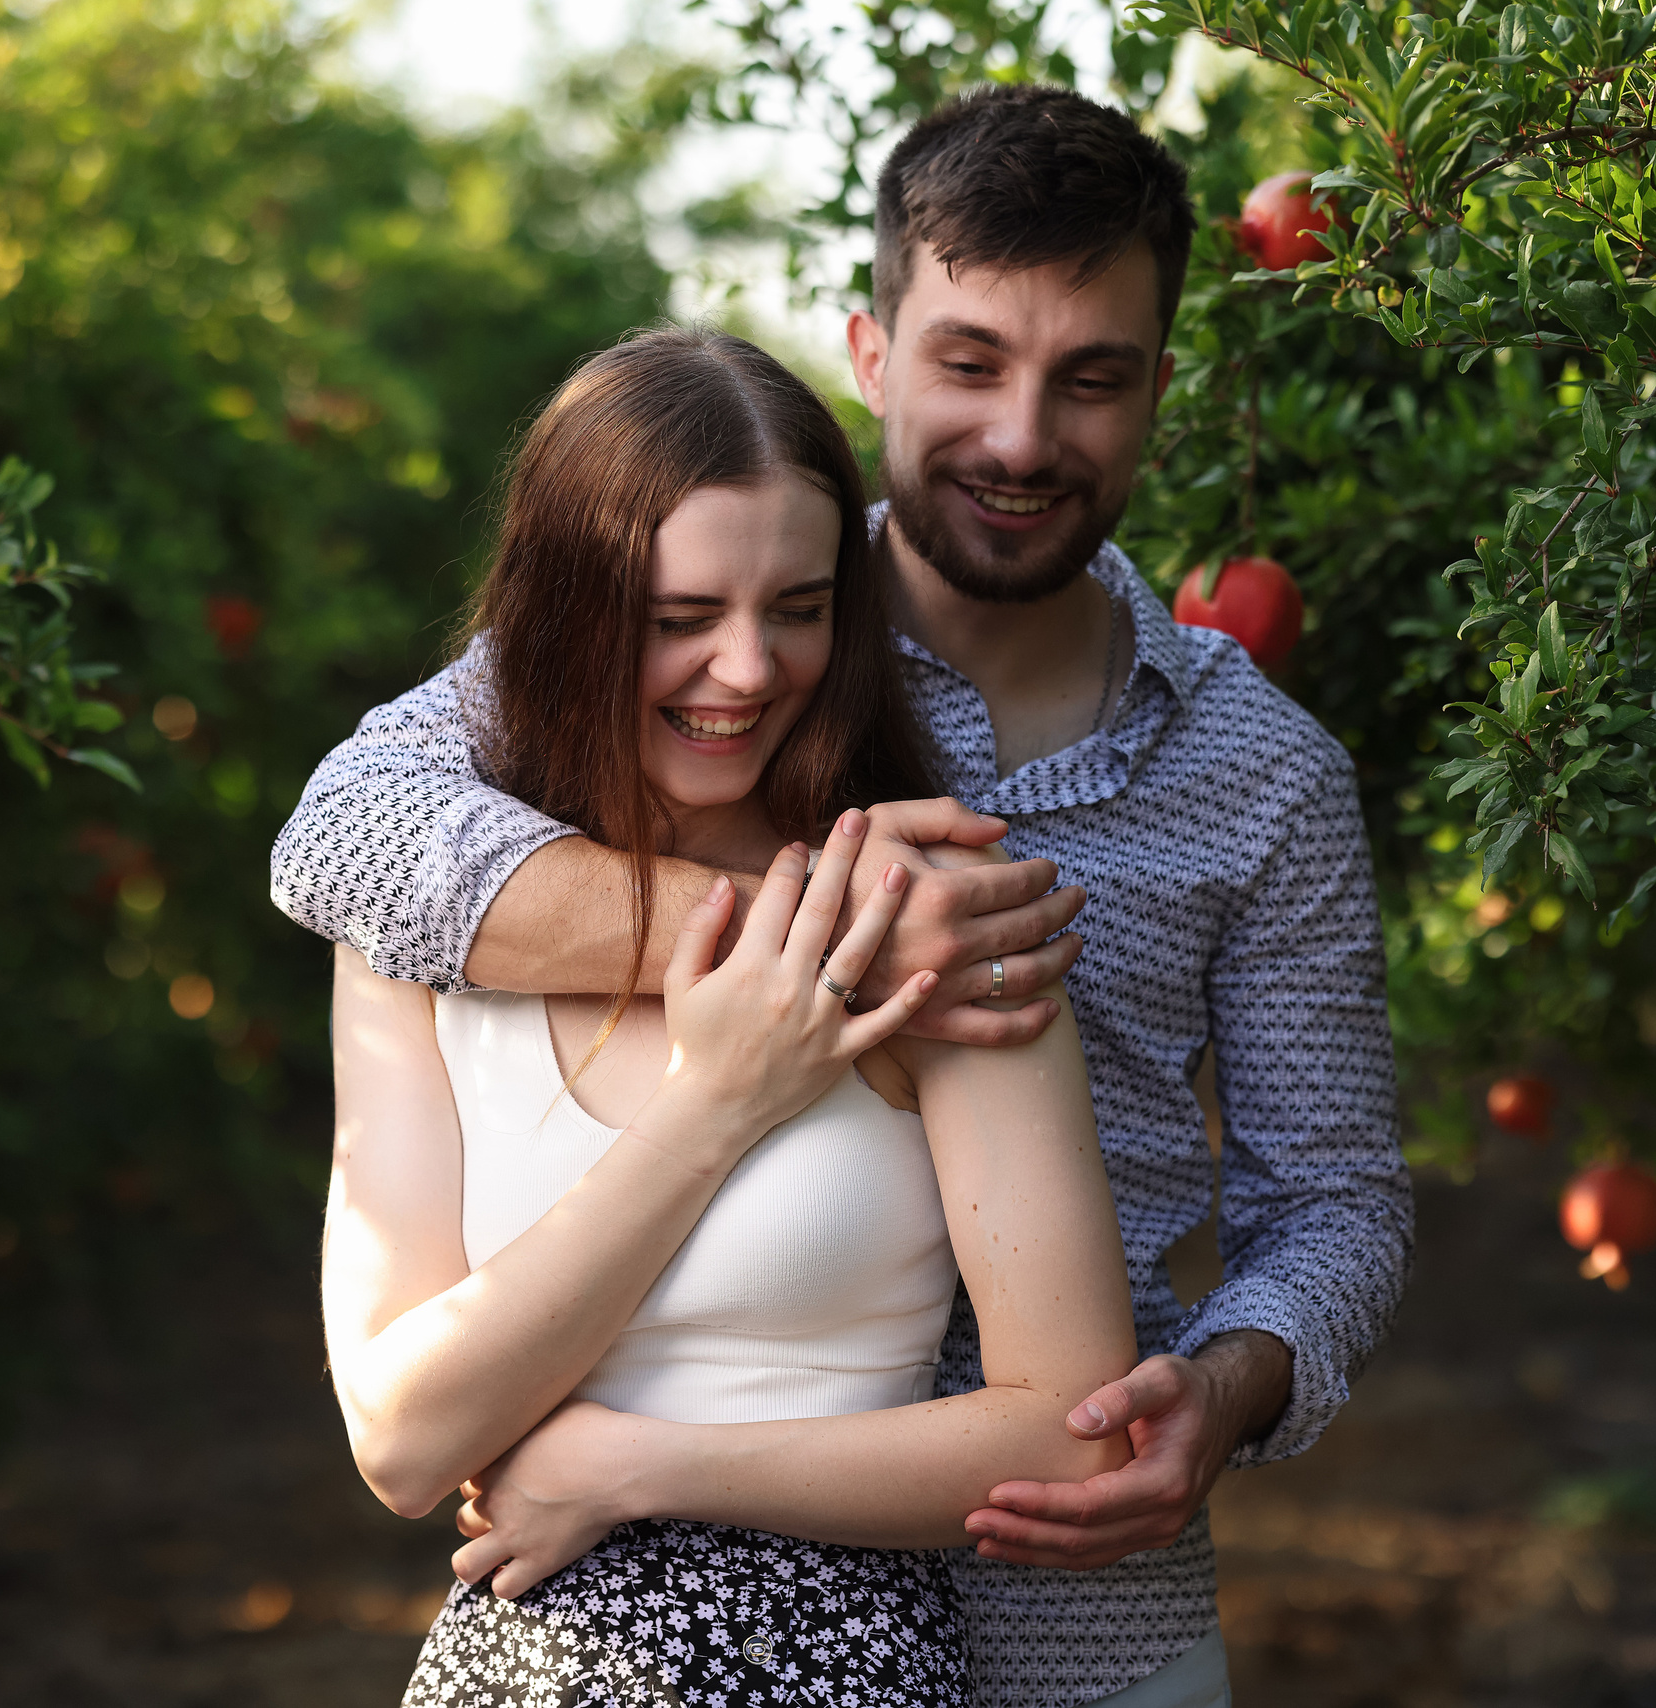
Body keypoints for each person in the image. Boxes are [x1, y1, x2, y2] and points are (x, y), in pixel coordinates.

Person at [278, 83, 1413, 1708]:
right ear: (873, 351)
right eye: (971, 364)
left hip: (1078, 1590)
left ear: (1162, 389)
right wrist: (797, 953)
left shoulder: (1266, 773)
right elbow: (347, 834)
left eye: (1090, 379)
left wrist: (1232, 1387)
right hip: (647, 1593)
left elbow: (1340, 1199)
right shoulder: (734, 592)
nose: (1023, 438)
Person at [321, 327, 1143, 1706]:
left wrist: (642, 1470)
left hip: (831, 1663)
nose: (752, 671)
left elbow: (1070, 1438)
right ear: (568, 612)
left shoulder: (928, 919)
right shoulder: (425, 935)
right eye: (680, 618)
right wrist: (718, 1101)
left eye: (802, 607)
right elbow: (405, 1439)